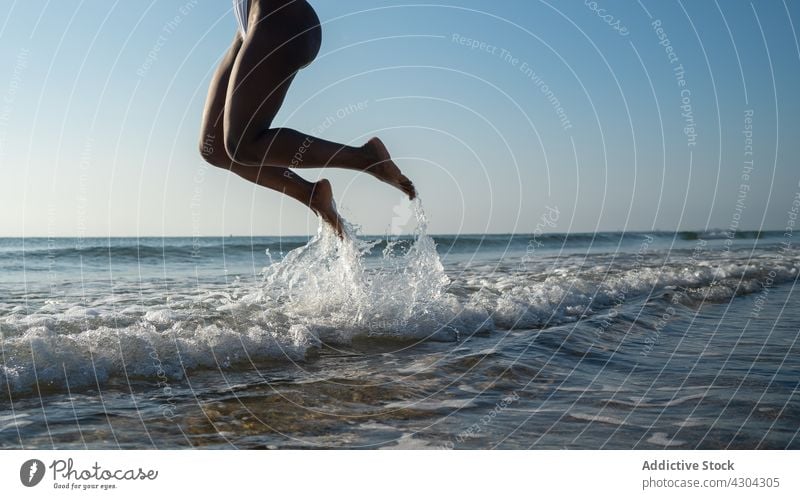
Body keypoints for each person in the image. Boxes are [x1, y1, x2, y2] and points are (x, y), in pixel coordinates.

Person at [199, 0, 416, 236]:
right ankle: (311, 194)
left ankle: (366, 158)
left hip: (280, 19)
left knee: (242, 145)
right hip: (247, 27)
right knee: (215, 149)